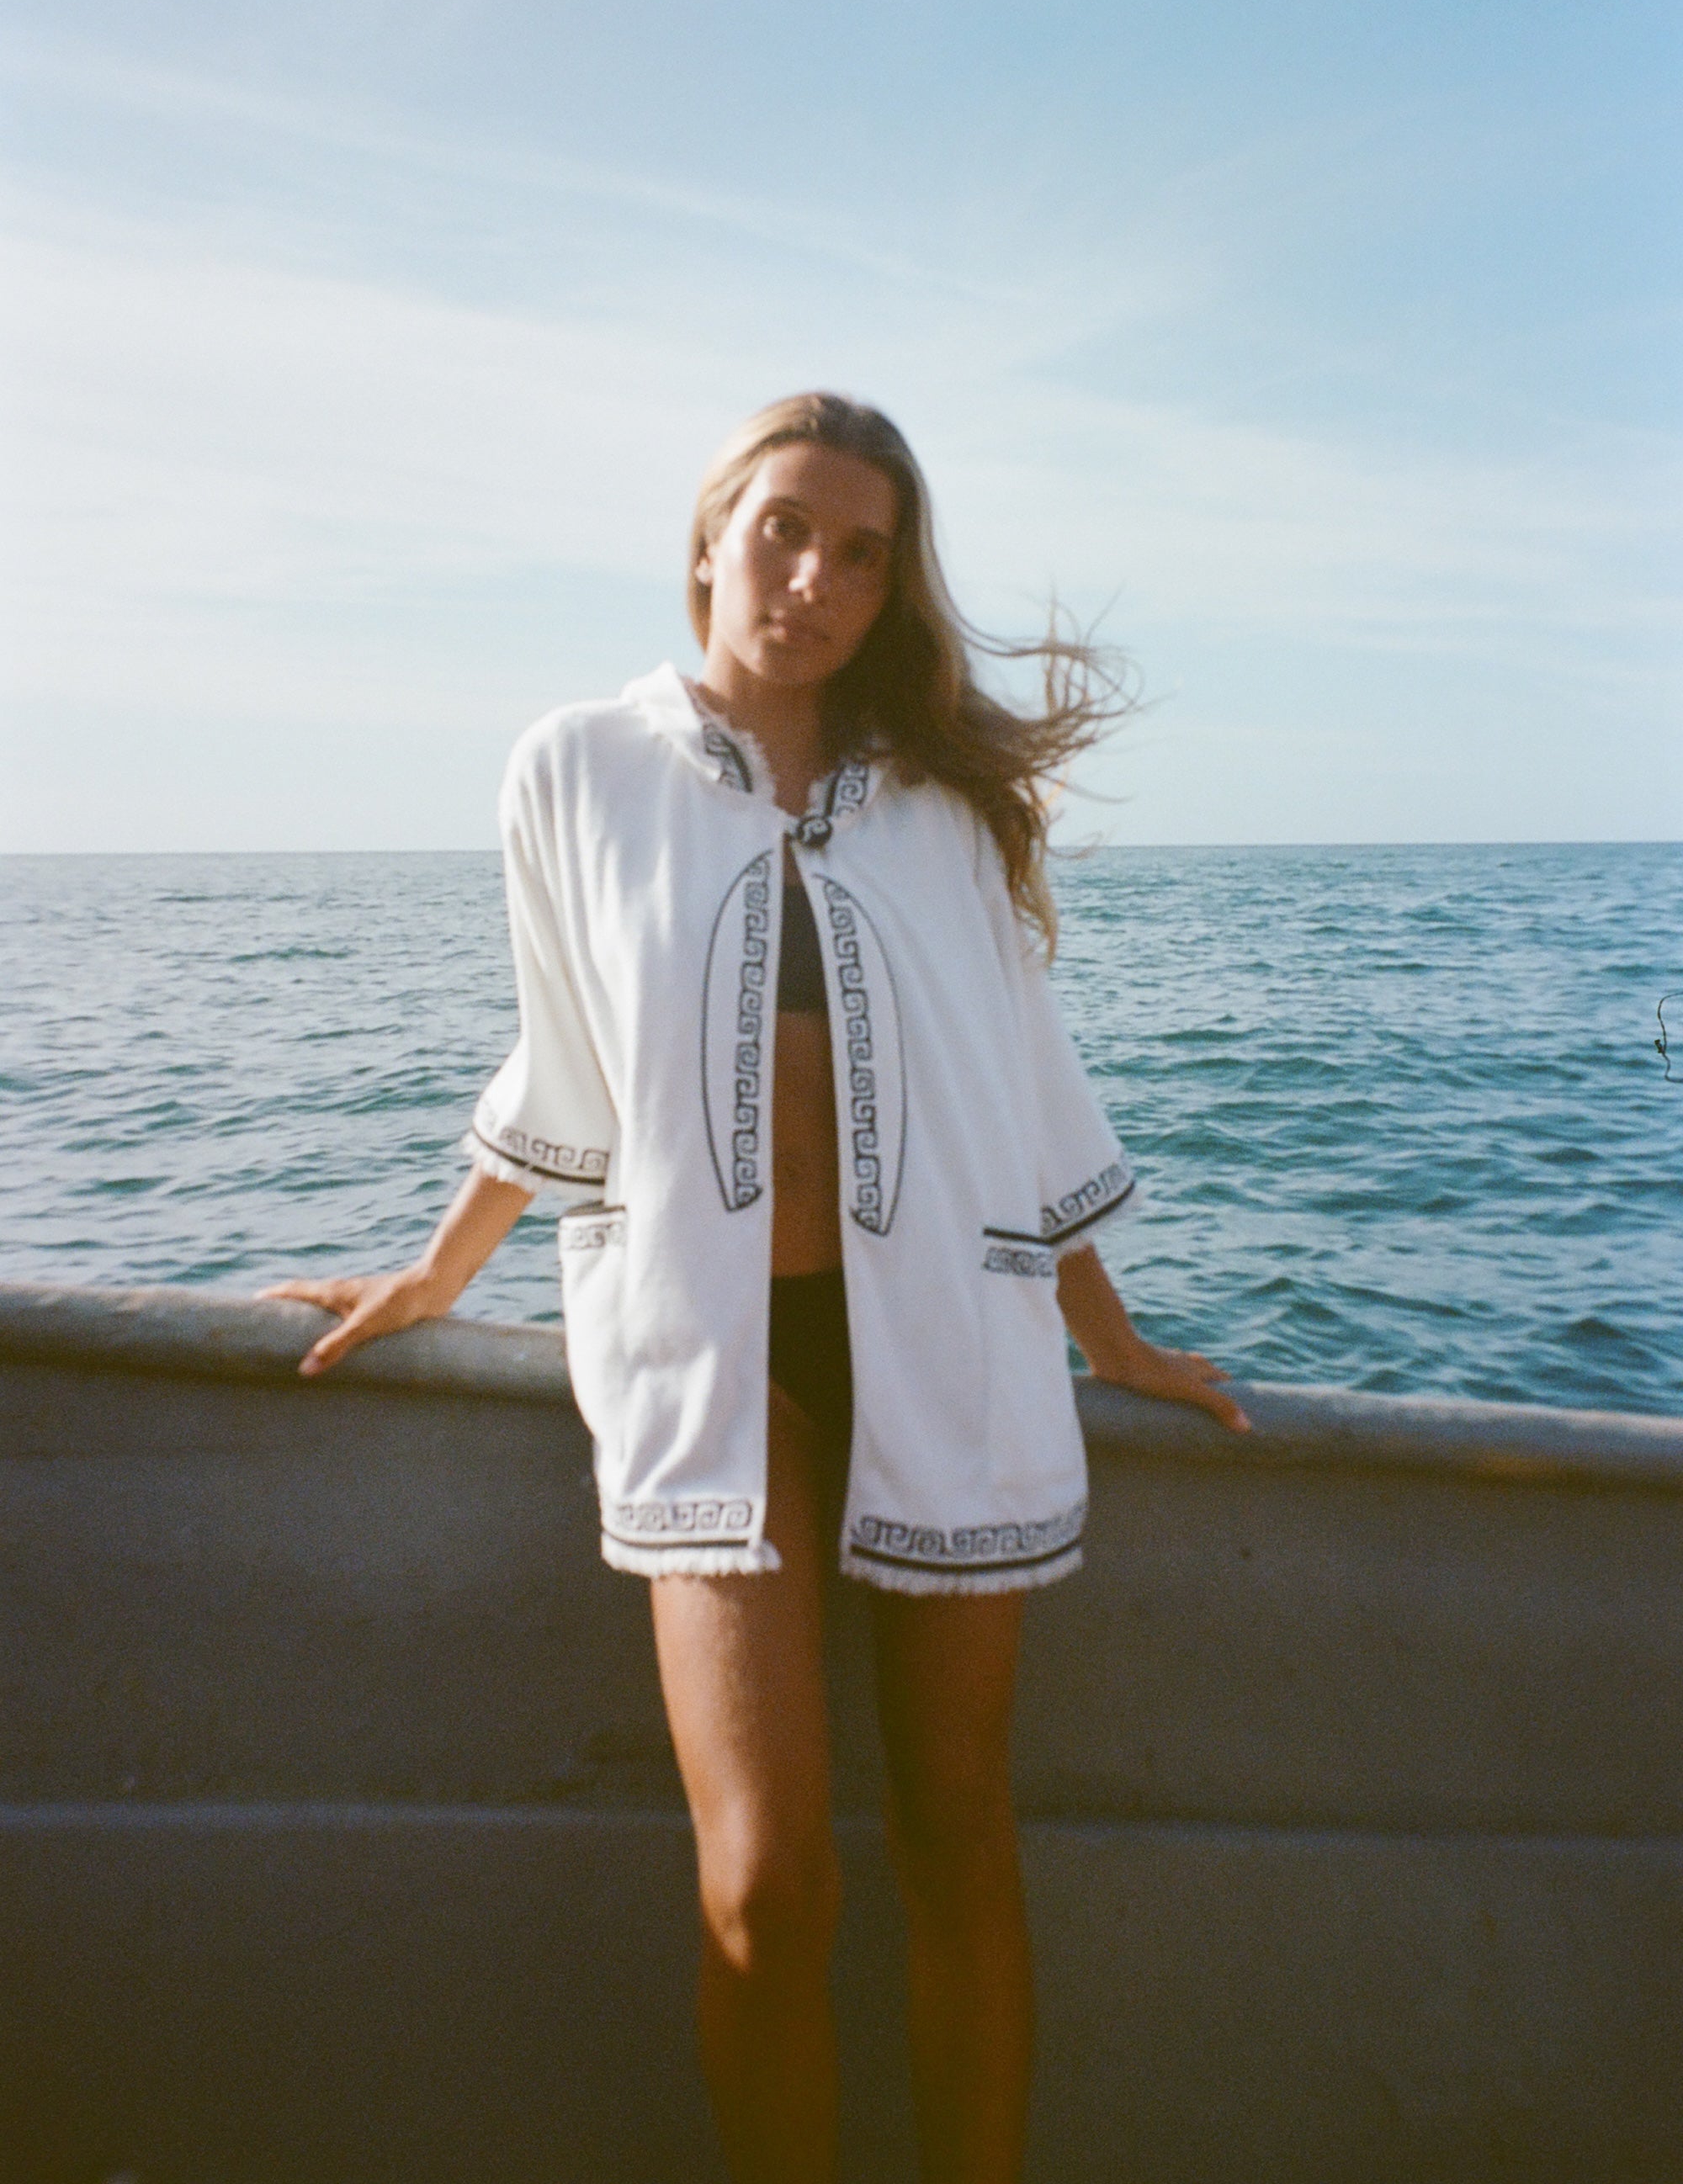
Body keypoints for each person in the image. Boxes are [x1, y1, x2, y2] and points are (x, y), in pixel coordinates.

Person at [263, 393, 1248, 2184]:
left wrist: (1110, 1334)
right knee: (765, 1882)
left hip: (952, 1352)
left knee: (959, 1834)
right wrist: (436, 1270)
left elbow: (1026, 1081)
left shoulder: (940, 808)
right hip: (713, 1362)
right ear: (710, 533)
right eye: (784, 527)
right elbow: (566, 1065)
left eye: (860, 552)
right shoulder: (576, 763)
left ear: (889, 593)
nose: (811, 576)